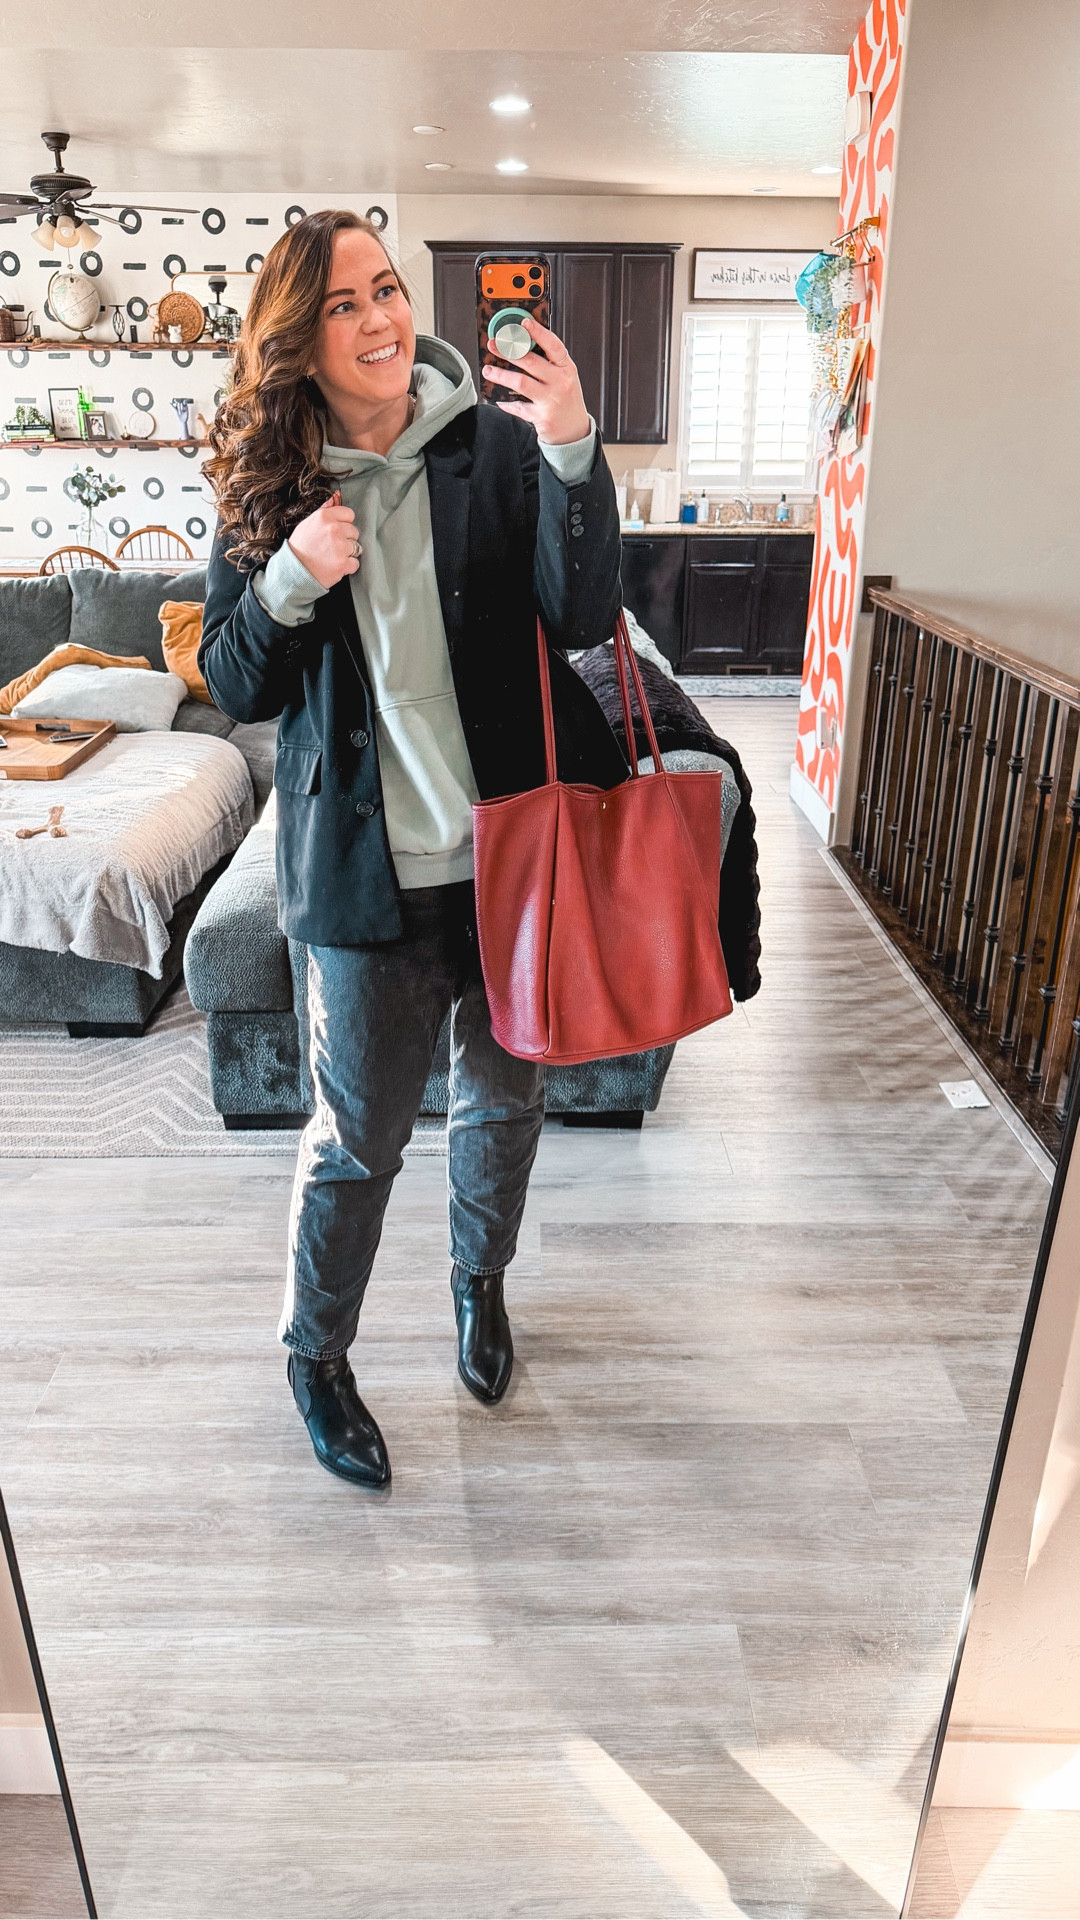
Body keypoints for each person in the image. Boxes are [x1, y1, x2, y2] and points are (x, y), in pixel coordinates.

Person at [200, 209, 626, 1490]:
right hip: (362, 880)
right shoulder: (268, 490)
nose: (384, 317)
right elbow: (232, 684)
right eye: (345, 305)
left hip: (512, 865)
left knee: (507, 1100)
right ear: (299, 341)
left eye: (387, 288)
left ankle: (477, 1284)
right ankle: (317, 1356)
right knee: (355, 1140)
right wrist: (285, 578)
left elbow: (588, 611)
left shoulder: (496, 447)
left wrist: (571, 452)